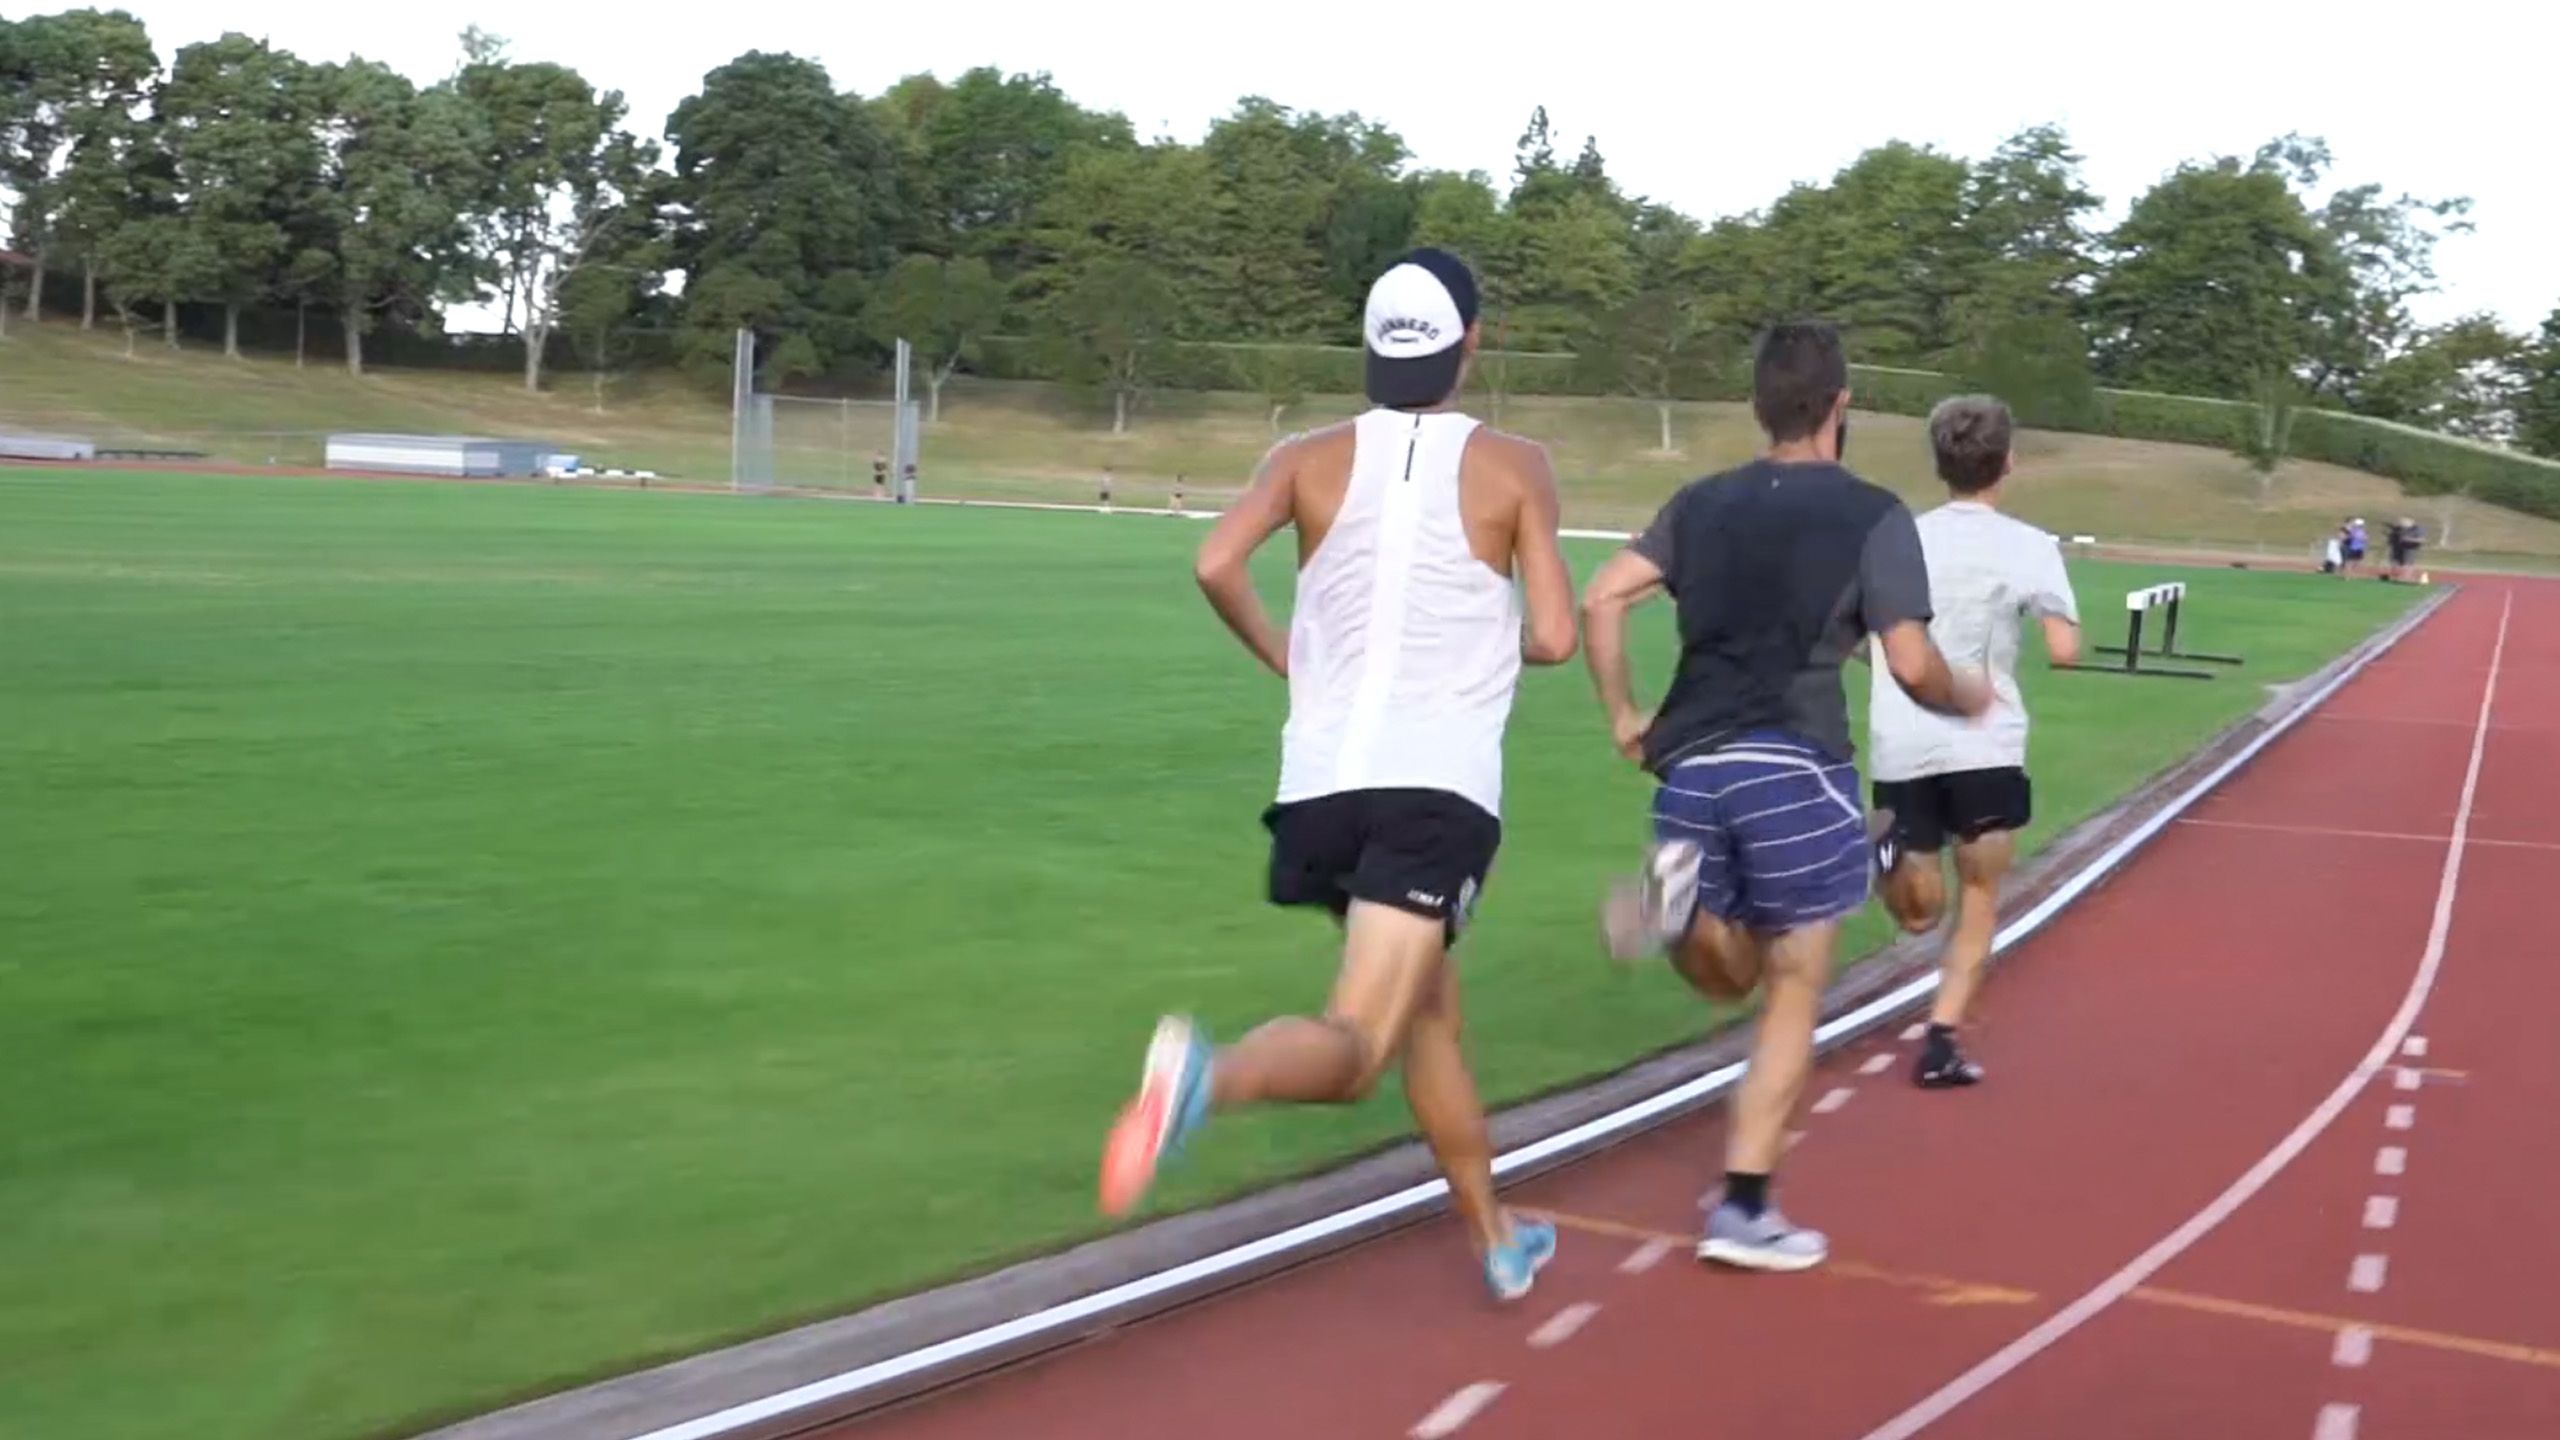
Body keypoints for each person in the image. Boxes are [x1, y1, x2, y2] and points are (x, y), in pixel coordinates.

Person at [1099, 248, 1581, 1302]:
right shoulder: (1517, 465)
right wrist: (1486, 633)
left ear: (1367, 348)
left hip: (1323, 789)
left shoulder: (1303, 456)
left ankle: (1496, 1237)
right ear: (1471, 343)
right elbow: (1554, 635)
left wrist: (1289, 653)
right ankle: (1203, 1081)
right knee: (1360, 1047)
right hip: (1434, 793)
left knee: (1428, 1017)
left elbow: (1213, 563)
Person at [1580, 319, 1990, 1272]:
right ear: (1841, 406)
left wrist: (1624, 716)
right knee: (1793, 986)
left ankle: (1680, 909)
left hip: (1691, 769)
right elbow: (1913, 662)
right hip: (1798, 764)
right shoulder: (1876, 515)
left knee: (1725, 970)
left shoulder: (1700, 502)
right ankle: (1746, 1208)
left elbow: (1603, 598)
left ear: (1759, 406)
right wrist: (1963, 694)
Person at [1866, 395, 2081, 1090]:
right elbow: (2065, 649)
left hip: (1902, 739)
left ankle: (1877, 852)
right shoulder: (2029, 545)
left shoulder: (1891, 538)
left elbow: (1851, 633)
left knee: (1916, 914)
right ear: (2007, 462)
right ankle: (1941, 1038)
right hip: (1987, 745)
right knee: (1978, 896)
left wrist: (1890, 665)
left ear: (1938, 462)